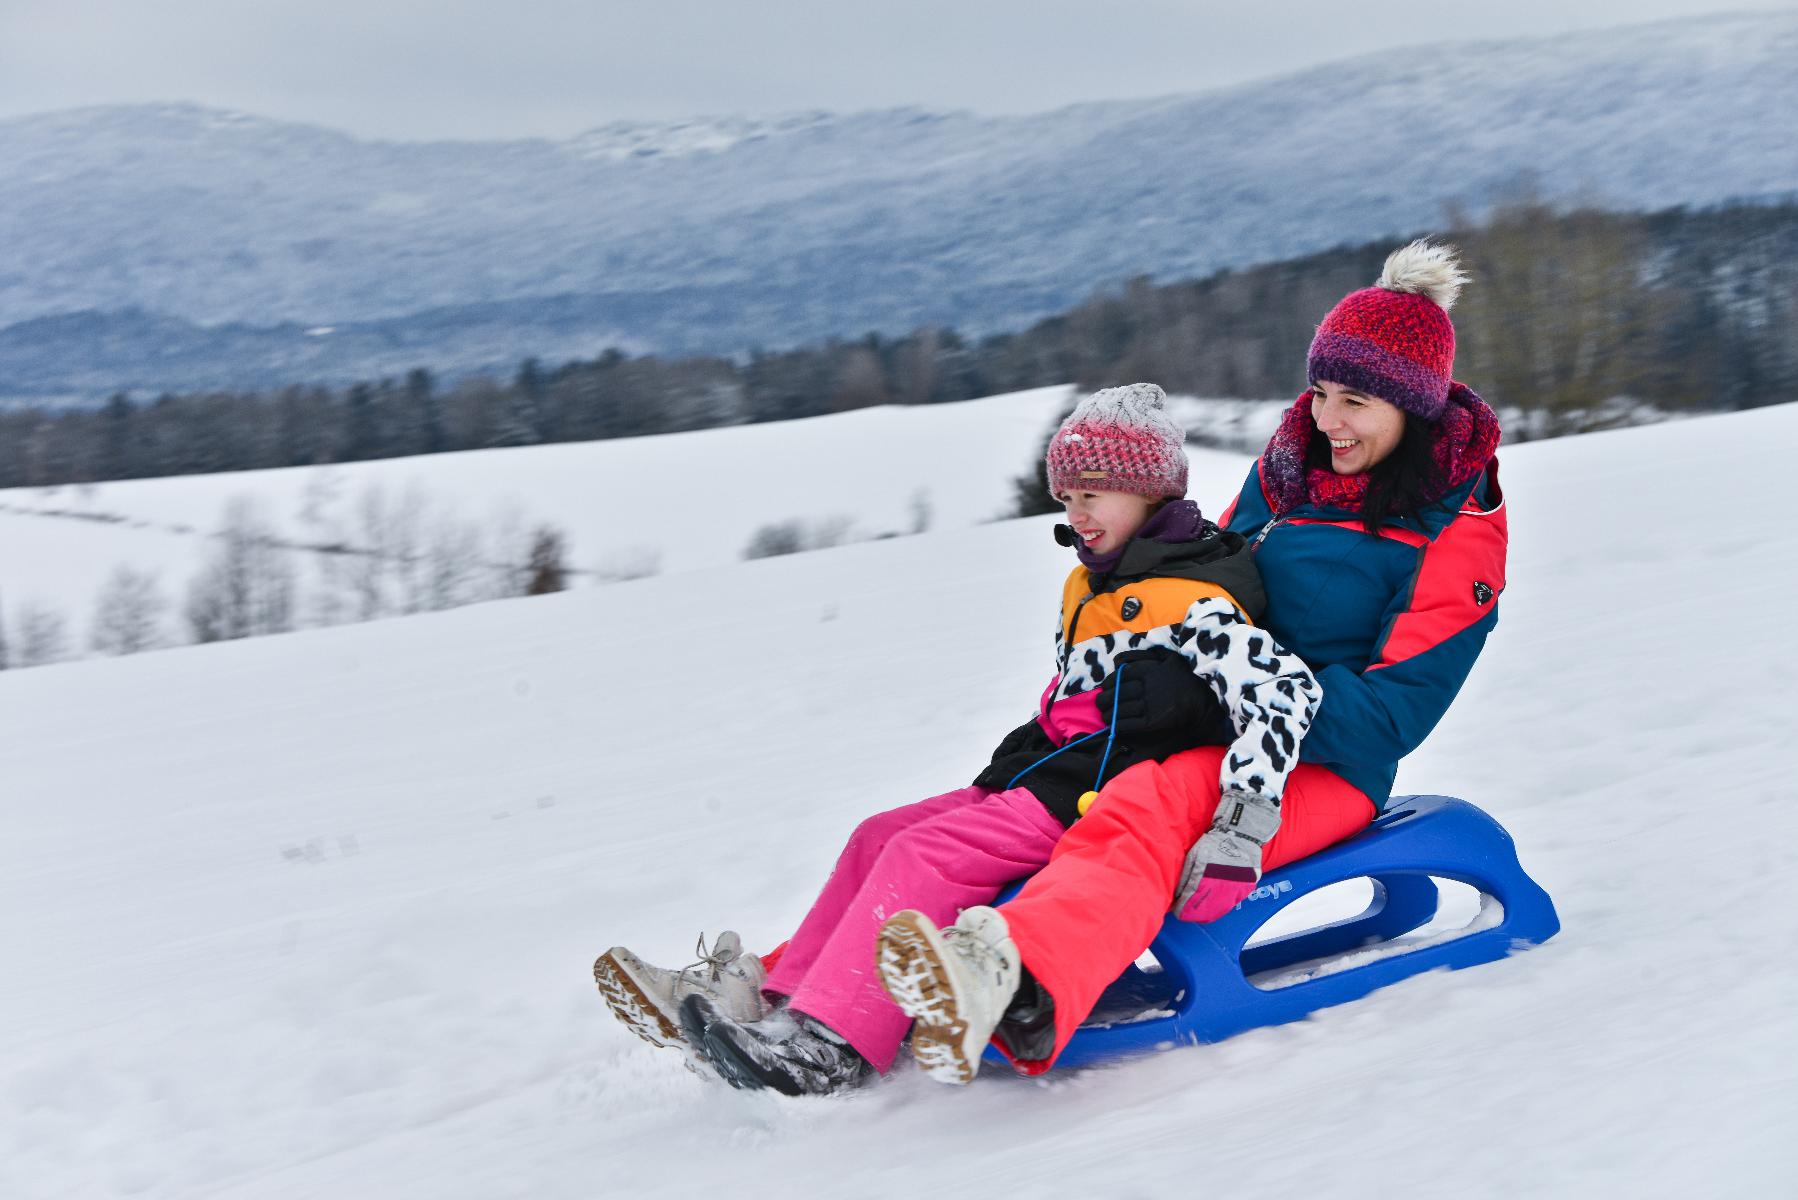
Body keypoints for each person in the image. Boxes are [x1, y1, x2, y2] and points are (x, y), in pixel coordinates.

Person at [876, 239, 1509, 1083]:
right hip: (1212, 718)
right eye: (1320, 393)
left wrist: (1245, 701)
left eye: (1354, 400)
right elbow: (1210, 581)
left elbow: (1395, 712)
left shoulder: (1454, 530)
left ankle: (1027, 981)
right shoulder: (1292, 474)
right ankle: (841, 990)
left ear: (1415, 407)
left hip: (1328, 763)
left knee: (1146, 799)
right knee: (1043, 789)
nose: (1327, 420)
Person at [595, 382, 1323, 1095]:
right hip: (1034, 777)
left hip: (1087, 794)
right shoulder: (1097, 582)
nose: (1078, 513)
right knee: (877, 834)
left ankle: (834, 1046)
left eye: (1093, 494)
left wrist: (1244, 819)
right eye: (1067, 497)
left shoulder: (1197, 599)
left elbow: (1286, 694)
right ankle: (777, 1003)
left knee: (925, 857)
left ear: (1153, 493)